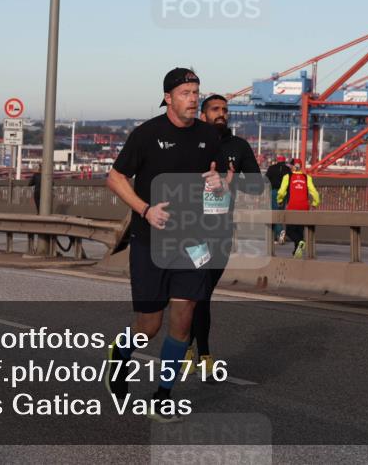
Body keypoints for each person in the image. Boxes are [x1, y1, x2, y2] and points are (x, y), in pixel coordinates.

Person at [104, 67, 232, 421]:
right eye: (185, 93)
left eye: (196, 92)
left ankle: (163, 395)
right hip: (151, 241)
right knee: (149, 326)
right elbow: (115, 178)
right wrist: (145, 210)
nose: (193, 99)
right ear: (168, 98)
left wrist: (219, 185)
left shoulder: (209, 135)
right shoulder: (147, 134)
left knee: (184, 319)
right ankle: (120, 353)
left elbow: (222, 184)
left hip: (193, 241)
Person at [186, 94, 263, 378]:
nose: (221, 114)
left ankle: (187, 346)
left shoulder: (238, 147)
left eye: (225, 110)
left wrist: (233, 183)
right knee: (200, 289)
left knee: (202, 292)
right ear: (203, 115)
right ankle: (203, 354)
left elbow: (256, 186)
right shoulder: (190, 143)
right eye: (215, 109)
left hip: (222, 232)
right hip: (192, 230)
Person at [277, 158, 321, 258]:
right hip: (304, 207)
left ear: (293, 166)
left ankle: (300, 242)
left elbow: (281, 192)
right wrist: (315, 203)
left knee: (290, 231)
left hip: (292, 206)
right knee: (299, 230)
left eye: (291, 165)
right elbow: (314, 192)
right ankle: (297, 252)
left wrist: (279, 200)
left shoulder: (287, 177)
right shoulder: (307, 177)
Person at [265, 155, 291, 244]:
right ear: (284, 161)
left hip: (274, 192)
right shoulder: (287, 169)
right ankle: (276, 237)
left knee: (274, 213)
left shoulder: (272, 168)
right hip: (284, 193)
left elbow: (266, 179)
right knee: (280, 213)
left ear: (277, 160)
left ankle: (279, 232)